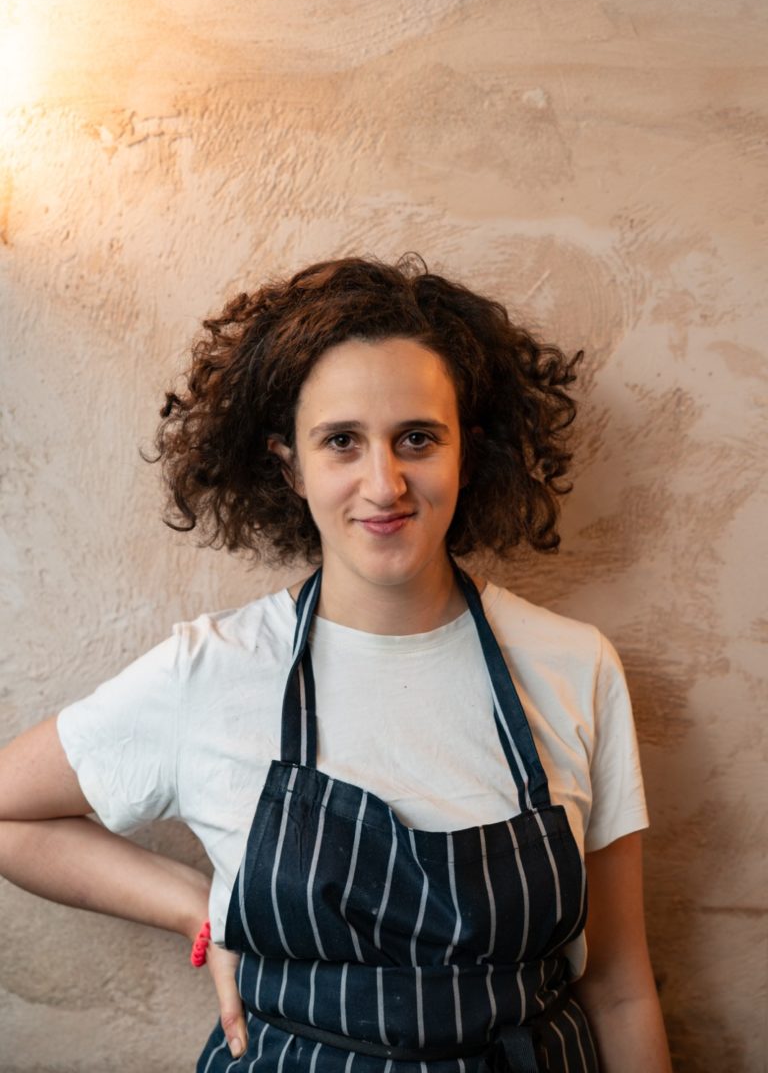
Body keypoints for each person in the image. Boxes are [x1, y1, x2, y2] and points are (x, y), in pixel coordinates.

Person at [0, 256, 672, 1073]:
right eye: (342, 441)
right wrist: (196, 909)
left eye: (417, 438)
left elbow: (621, 986)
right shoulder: (209, 671)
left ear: (468, 452)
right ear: (291, 467)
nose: (383, 483)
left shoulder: (575, 666)